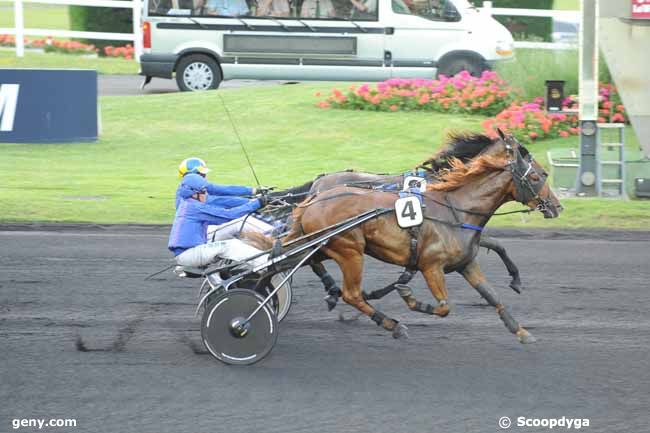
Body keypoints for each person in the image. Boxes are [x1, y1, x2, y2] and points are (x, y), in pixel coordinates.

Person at [168, 174, 270, 268]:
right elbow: (229, 214)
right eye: (203, 192)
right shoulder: (194, 207)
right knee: (231, 245)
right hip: (189, 254)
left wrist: (250, 206)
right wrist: (256, 203)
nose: (206, 194)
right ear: (193, 194)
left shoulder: (188, 205)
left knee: (232, 237)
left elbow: (221, 218)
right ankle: (267, 262)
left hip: (191, 252)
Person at [175, 157, 266, 209]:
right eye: (202, 174)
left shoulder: (188, 187)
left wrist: (253, 191)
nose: (205, 176)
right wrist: (253, 202)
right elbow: (219, 201)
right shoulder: (191, 195)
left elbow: (223, 189)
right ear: (194, 175)